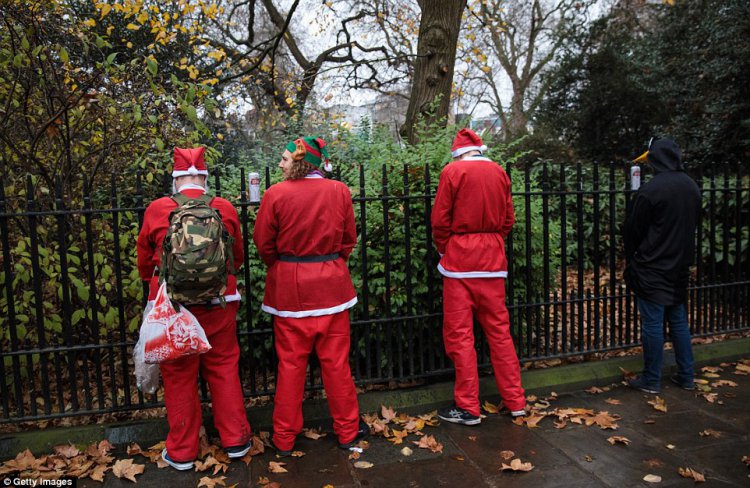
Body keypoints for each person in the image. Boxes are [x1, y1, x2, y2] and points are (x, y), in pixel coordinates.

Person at [136, 147, 252, 470]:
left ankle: (182, 452)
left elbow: (145, 261)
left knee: (178, 376)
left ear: (175, 180)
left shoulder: (157, 209)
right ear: (203, 176)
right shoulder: (224, 208)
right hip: (220, 303)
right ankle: (237, 440)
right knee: (224, 366)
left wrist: (154, 283)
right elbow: (236, 258)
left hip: (175, 306)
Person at [253, 137, 367, 456]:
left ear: (302, 162)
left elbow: (264, 243)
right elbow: (348, 240)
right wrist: (330, 263)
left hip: (290, 293)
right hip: (332, 290)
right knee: (337, 365)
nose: (280, 163)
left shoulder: (275, 194)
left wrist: (284, 267)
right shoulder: (339, 191)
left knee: (290, 367)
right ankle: (347, 432)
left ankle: (284, 439)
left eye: (286, 158)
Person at [431, 128, 526, 426]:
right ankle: (516, 401)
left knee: (460, 336)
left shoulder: (452, 172)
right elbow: (508, 219)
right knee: (499, 332)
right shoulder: (499, 173)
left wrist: (446, 248)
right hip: (493, 261)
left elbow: (440, 220)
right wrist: (494, 241)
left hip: (460, 262)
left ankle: (469, 407)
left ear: (457, 152)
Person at [624, 137, 700, 394]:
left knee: (653, 323)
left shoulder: (651, 189)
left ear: (655, 158)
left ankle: (652, 379)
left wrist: (634, 255)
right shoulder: (691, 186)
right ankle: (687, 375)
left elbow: (634, 230)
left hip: (653, 266)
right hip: (680, 264)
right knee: (678, 321)